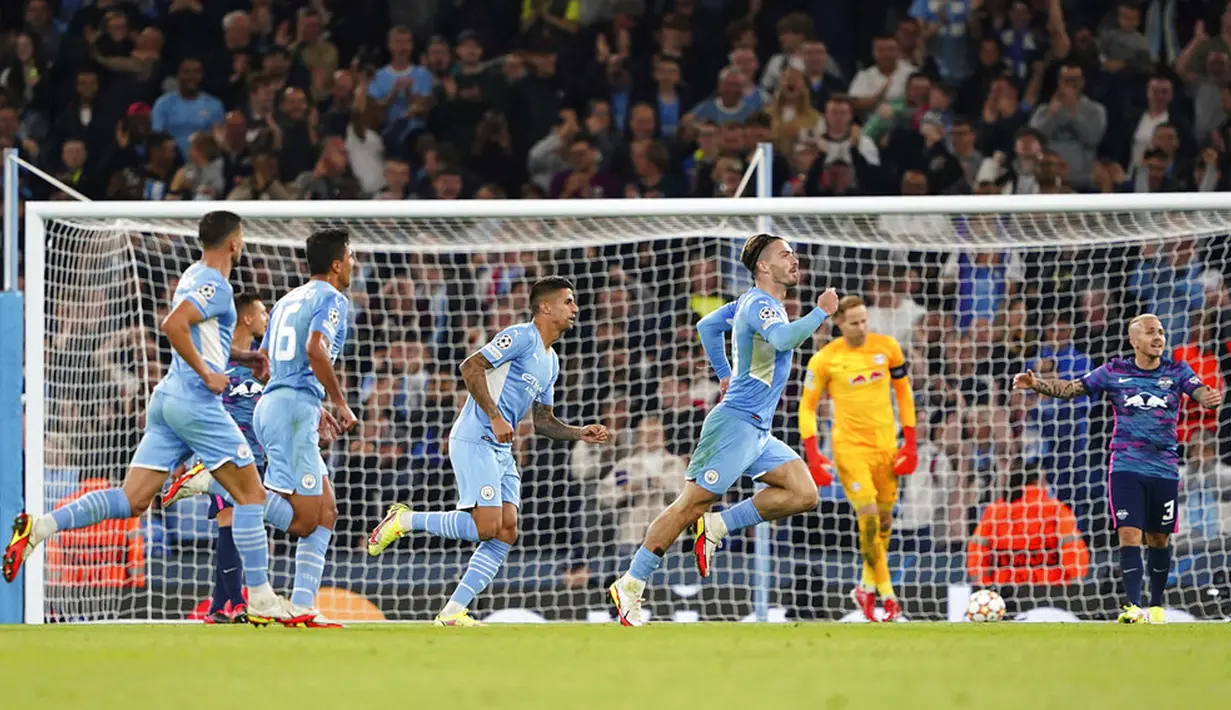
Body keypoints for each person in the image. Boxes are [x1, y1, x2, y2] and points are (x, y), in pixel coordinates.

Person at [3, 211, 303, 626]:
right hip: (195, 402)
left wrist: (243, 357)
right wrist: (208, 375)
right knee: (251, 495)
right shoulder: (217, 284)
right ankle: (262, 598)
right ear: (234, 243)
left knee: (132, 499)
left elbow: (200, 335)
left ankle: (38, 527)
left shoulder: (192, 275)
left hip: (166, 400)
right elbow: (173, 326)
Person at [607, 234, 839, 627]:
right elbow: (781, 340)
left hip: (758, 429)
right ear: (763, 267)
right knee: (689, 505)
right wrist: (821, 312)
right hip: (735, 425)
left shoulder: (749, 303)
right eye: (785, 254)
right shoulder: (763, 306)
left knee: (803, 492)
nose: (794, 260)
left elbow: (706, 326)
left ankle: (719, 524)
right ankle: (630, 583)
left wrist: (724, 374)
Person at [367, 277, 610, 626]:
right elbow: (470, 366)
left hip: (501, 448)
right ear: (545, 307)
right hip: (475, 437)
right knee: (486, 527)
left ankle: (453, 611)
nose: (575, 309)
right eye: (568, 302)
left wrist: (579, 433)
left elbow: (543, 422)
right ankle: (405, 520)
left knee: (507, 530)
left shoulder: (552, 361)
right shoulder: (520, 336)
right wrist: (495, 416)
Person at [1012, 314, 1222, 624]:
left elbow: (1198, 390)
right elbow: (1071, 389)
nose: (1159, 337)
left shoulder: (1177, 370)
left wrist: (1209, 397)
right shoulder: (1115, 371)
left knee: (1159, 538)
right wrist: (1036, 385)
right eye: (1151, 332)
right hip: (1125, 465)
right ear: (1134, 340)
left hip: (1164, 466)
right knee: (1128, 534)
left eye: (1161, 332)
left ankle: (1156, 604)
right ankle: (1133, 606)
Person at [797, 295, 917, 622]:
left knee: (885, 522)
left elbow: (904, 394)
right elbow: (806, 407)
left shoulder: (888, 348)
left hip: (886, 446)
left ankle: (865, 585)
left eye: (864, 321)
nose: (861, 327)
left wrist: (911, 444)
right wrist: (812, 453)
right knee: (868, 518)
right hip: (849, 448)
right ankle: (888, 596)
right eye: (854, 323)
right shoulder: (825, 360)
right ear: (839, 324)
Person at [182, 292, 270, 624]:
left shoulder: (263, 363)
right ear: (246, 318)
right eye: (262, 312)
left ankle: (220, 604)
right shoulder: (215, 360)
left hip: (256, 456)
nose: (266, 317)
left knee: (239, 528)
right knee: (229, 524)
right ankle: (235, 601)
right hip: (223, 455)